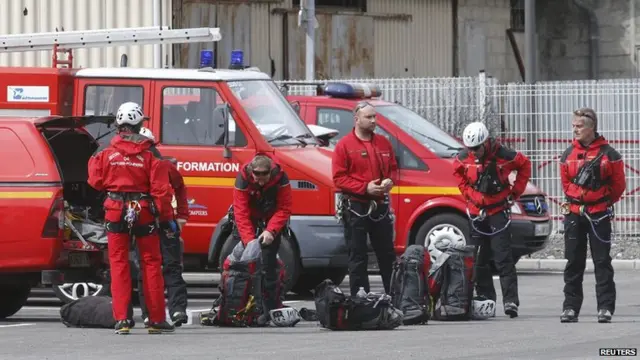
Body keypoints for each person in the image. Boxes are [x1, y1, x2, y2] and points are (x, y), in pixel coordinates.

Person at [88, 102, 175, 335]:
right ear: (139, 124)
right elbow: (161, 191)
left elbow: (95, 181)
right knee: (151, 264)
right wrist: (165, 219)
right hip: (143, 211)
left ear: (118, 124)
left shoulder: (105, 151)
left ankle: (122, 320)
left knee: (118, 264)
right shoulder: (150, 153)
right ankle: (155, 320)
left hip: (115, 209)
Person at [453, 121, 531, 318]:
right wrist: (469, 195)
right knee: (479, 258)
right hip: (476, 212)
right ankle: (485, 298)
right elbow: (458, 176)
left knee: (503, 256)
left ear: (485, 143)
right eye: (470, 148)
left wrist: (515, 192)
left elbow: (525, 165)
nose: (474, 152)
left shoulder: (504, 155)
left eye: (477, 148)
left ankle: (511, 301)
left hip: (498, 210)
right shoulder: (463, 158)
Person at [559, 108, 626, 324]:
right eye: (574, 125)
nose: (575, 129)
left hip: (599, 215)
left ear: (591, 128)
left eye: (579, 126)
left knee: (602, 261)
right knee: (573, 262)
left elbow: (618, 186)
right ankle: (570, 308)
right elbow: (565, 184)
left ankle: (605, 308)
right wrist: (580, 199)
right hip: (574, 214)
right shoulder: (567, 154)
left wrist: (601, 201)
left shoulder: (610, 154)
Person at [332, 101, 398, 297]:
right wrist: (364, 188)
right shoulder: (344, 146)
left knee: (387, 254)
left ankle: (396, 296)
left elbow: (393, 169)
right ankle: (361, 299)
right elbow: (338, 178)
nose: (373, 121)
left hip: (380, 206)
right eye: (369, 117)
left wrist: (389, 181)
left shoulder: (383, 143)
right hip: (356, 207)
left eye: (374, 117)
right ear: (357, 119)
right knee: (358, 255)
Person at [135, 127, 189, 328]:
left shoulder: (164, 166)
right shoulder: (132, 164)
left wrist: (182, 215)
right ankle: (149, 313)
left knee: (171, 266)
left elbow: (180, 187)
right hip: (145, 221)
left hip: (164, 222)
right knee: (147, 268)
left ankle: (177, 310)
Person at [232, 153, 292, 315]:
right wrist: (249, 240)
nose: (259, 180)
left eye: (263, 176)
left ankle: (270, 307)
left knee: (269, 264)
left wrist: (271, 231)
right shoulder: (243, 179)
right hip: (250, 217)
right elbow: (240, 211)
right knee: (242, 264)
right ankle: (242, 303)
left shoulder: (280, 178)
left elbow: (284, 208)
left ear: (270, 172)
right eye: (256, 176)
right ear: (251, 172)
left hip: (271, 217)